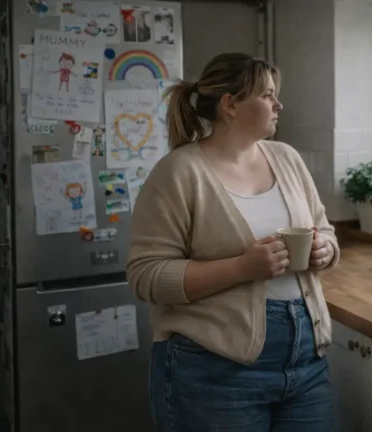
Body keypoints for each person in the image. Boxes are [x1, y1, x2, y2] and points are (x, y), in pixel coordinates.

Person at [126, 53, 340, 431]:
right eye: (268, 95)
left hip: (306, 365)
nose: (279, 105)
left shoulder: (287, 159)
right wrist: (242, 268)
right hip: (212, 371)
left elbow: (325, 230)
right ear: (231, 105)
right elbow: (146, 276)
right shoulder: (178, 172)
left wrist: (325, 250)